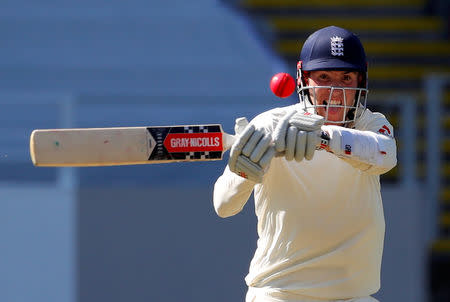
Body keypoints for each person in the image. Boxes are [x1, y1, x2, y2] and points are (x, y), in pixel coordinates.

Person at [213, 26, 397, 302]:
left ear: (361, 80)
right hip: (279, 293)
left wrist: (322, 137)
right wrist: (242, 172)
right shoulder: (270, 125)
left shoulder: (369, 124)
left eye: (346, 78)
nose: (335, 90)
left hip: (354, 296)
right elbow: (224, 205)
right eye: (324, 77)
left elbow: (385, 155)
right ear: (304, 78)